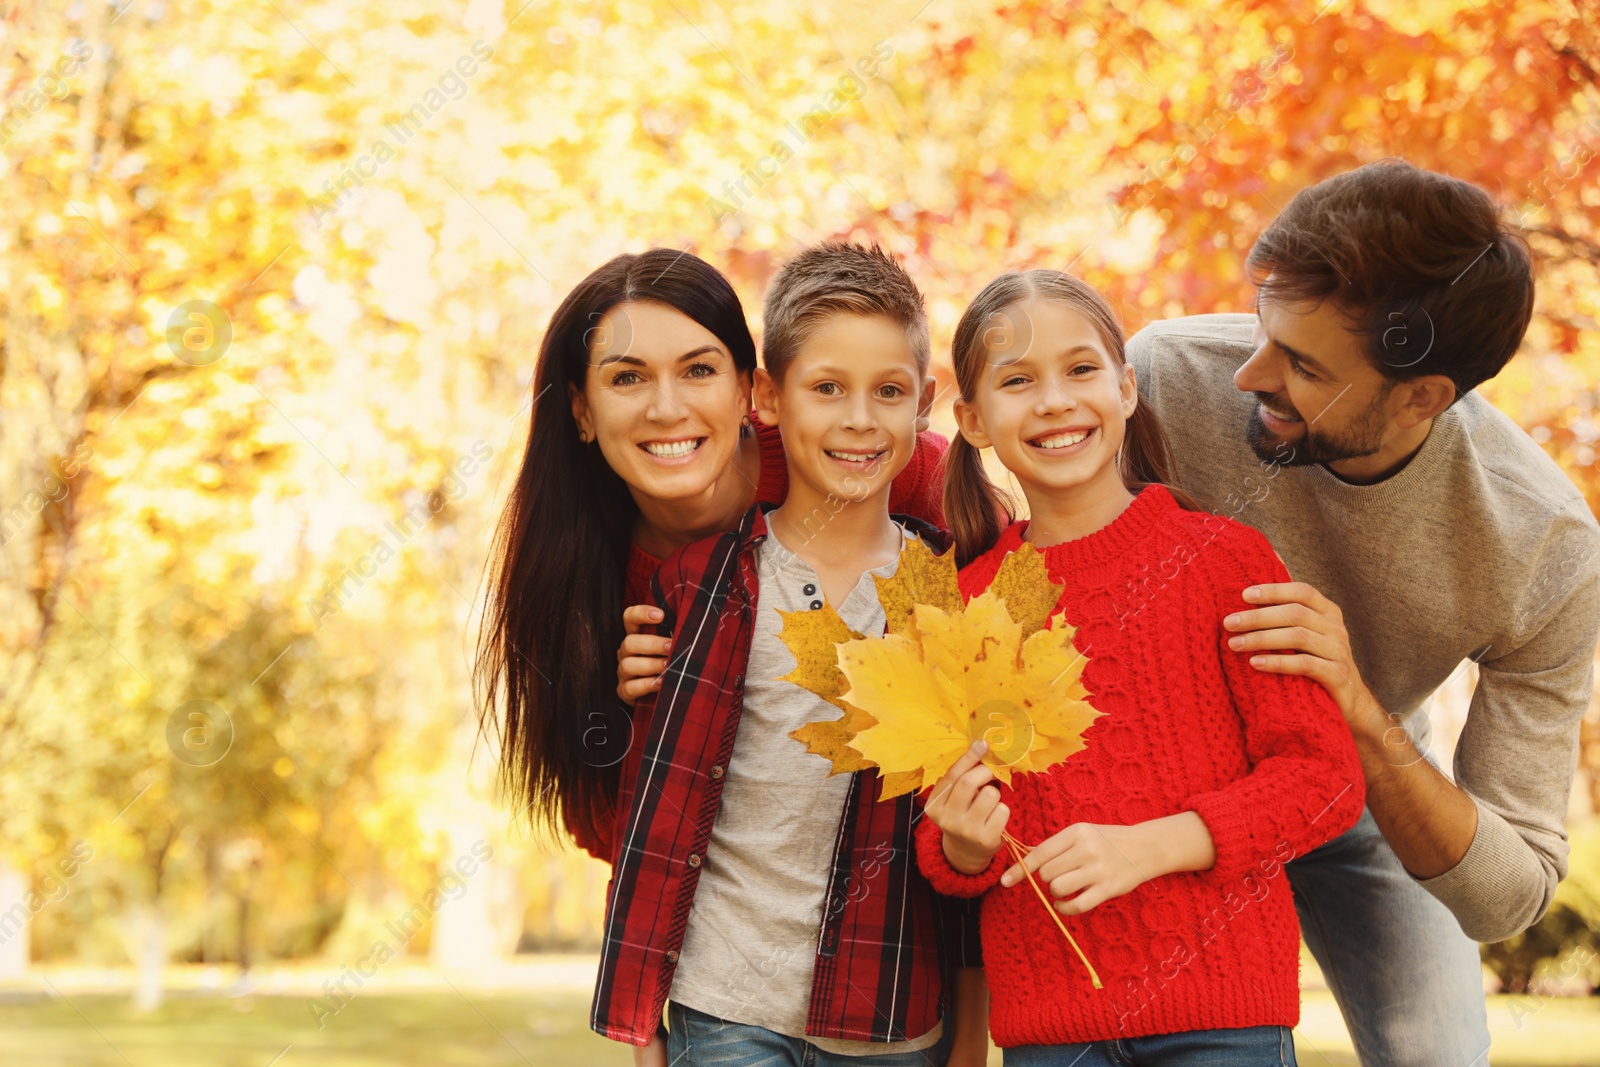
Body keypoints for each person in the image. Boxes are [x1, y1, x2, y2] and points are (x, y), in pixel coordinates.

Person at [1126, 159, 1600, 1066]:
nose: (1248, 375)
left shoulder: (1542, 544)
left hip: (1358, 784)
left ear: (1424, 397)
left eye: (1302, 365)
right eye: (1266, 332)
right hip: (1165, 781)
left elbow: (1511, 894)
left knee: (1441, 1052)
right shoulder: (1164, 378)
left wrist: (1357, 710)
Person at [917, 268, 1365, 1064]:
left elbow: (1322, 779)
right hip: (1053, 1030)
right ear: (973, 420)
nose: (1054, 400)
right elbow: (952, 856)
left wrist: (1154, 844)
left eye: (1080, 369)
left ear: (1126, 388)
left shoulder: (1222, 561)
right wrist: (961, 844)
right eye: (1018, 381)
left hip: (1222, 1015)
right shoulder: (963, 610)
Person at [592, 243, 985, 1067]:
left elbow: (970, 830)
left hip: (890, 1009)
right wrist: (639, 1023)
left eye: (888, 392)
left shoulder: (949, 595)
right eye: (827, 388)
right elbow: (653, 818)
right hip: (725, 1004)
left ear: (926, 405)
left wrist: (971, 1034)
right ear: (767, 397)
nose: (858, 419)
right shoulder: (698, 586)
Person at [474, 248, 947, 865]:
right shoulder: (581, 574)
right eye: (627, 377)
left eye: (698, 371)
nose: (667, 408)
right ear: (582, 411)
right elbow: (602, 832)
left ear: (751, 389)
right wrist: (639, 720)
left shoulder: (874, 470)